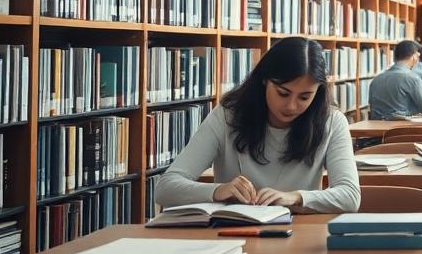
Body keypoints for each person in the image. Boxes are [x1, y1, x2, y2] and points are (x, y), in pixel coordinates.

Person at [154, 37, 360, 213]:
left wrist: (296, 198)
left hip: (299, 237)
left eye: (305, 97)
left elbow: (350, 196)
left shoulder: (331, 121)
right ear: (264, 80)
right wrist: (218, 191)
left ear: (318, 92)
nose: (291, 106)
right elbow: (165, 188)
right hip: (234, 235)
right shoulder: (227, 115)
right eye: (283, 93)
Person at [369, 40, 422, 119]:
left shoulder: (376, 80)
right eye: (418, 56)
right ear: (414, 57)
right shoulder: (412, 78)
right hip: (400, 128)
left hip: (376, 128)